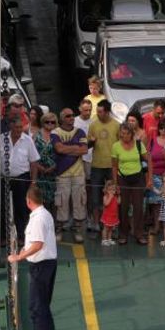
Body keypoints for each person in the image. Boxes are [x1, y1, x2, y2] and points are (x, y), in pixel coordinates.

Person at [8, 187, 59, 330]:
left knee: (35, 306)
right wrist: (24, 251)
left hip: (40, 266)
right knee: (43, 303)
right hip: (48, 263)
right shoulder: (45, 215)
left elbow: (38, 244)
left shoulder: (38, 219)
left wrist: (19, 257)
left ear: (28, 201)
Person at [111, 123, 153, 245]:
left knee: (138, 207)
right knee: (123, 207)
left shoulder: (139, 145)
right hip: (123, 178)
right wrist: (115, 183)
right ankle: (123, 234)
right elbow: (114, 166)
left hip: (138, 178)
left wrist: (149, 179)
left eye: (127, 133)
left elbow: (149, 160)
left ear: (132, 134)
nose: (124, 136)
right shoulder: (116, 146)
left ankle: (139, 234)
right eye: (122, 133)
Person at [52, 107, 89, 243]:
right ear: (62, 118)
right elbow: (58, 149)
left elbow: (84, 150)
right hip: (62, 174)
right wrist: (75, 148)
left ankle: (78, 229)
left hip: (78, 173)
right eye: (68, 116)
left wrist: (67, 148)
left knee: (79, 201)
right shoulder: (55, 132)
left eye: (72, 115)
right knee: (61, 202)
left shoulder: (80, 132)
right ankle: (59, 229)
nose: (71, 118)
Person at [0, 116, 40, 241]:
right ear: (10, 127)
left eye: (20, 127)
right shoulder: (1, 139)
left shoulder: (28, 140)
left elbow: (34, 163)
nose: (19, 130)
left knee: (21, 208)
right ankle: (3, 237)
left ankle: (22, 236)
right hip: (3, 178)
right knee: (3, 207)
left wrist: (33, 183)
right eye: (16, 127)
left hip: (21, 178)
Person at [87, 100, 120, 238]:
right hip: (97, 166)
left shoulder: (116, 125)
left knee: (114, 196)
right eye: (98, 111)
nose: (98, 114)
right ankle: (96, 225)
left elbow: (120, 145)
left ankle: (113, 225)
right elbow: (88, 145)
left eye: (100, 111)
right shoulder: (93, 125)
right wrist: (91, 142)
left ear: (107, 112)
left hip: (111, 166)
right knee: (95, 197)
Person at [145, 119, 165, 238]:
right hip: (156, 175)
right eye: (161, 128)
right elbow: (148, 160)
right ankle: (157, 226)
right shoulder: (152, 141)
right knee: (156, 203)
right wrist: (149, 178)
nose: (163, 130)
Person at [74, 99, 98, 235]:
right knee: (77, 187)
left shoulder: (94, 122)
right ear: (79, 109)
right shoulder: (75, 122)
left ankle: (88, 217)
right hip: (78, 159)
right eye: (85, 110)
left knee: (88, 189)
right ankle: (76, 217)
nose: (88, 112)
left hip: (90, 159)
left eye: (89, 110)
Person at [32, 111, 57, 214]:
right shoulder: (36, 135)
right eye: (47, 122)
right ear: (43, 122)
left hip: (54, 172)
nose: (50, 124)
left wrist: (54, 167)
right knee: (41, 199)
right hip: (39, 172)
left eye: (53, 122)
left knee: (54, 200)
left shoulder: (57, 135)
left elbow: (61, 154)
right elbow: (32, 154)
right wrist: (38, 167)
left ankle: (54, 223)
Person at [100, 180, 119, 246]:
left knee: (111, 228)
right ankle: (104, 240)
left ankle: (109, 239)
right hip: (107, 215)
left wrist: (119, 195)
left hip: (113, 215)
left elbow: (118, 203)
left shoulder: (115, 197)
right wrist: (110, 197)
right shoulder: (105, 197)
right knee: (105, 228)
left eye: (113, 189)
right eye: (110, 190)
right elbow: (106, 204)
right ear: (106, 190)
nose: (112, 191)